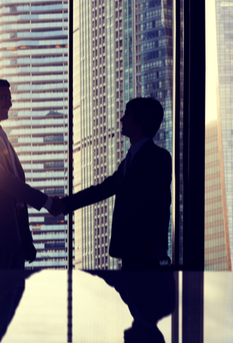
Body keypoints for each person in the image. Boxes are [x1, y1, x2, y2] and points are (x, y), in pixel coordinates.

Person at [60, 97, 172, 269]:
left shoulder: (158, 157)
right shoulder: (130, 160)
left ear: (140, 121)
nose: (121, 119)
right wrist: (64, 204)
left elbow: (161, 203)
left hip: (145, 253)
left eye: (127, 114)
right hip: (131, 251)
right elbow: (103, 189)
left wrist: (159, 248)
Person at [0, 78, 64, 270]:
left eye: (10, 98)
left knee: (11, 299)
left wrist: (25, 240)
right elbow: (4, 181)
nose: (9, 103)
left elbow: (16, 200)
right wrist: (46, 202)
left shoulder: (3, 140)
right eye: (4, 97)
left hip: (14, 242)